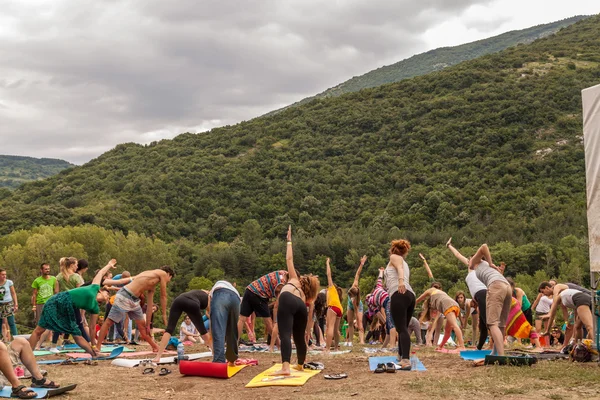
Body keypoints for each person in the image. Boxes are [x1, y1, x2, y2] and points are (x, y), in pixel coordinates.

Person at [29, 259, 117, 356]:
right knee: (39, 330)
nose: (107, 295)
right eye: (106, 292)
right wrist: (109, 265)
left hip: (69, 307)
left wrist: (93, 345)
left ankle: (94, 354)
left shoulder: (95, 308)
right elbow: (101, 273)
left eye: (108, 296)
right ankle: (27, 354)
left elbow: (92, 328)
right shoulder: (94, 287)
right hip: (57, 301)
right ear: (101, 291)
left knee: (76, 334)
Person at [272, 226, 320, 375]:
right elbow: (310, 311)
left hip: (287, 299)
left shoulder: (294, 279)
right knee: (299, 337)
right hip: (300, 306)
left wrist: (289, 241)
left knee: (285, 333)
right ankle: (300, 364)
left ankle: (285, 367)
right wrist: (309, 330)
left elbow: (289, 259)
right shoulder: (304, 295)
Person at [96, 265, 175, 352]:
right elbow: (163, 296)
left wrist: (148, 324)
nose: (168, 281)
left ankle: (155, 347)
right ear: (169, 275)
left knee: (142, 326)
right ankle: (98, 347)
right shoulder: (162, 273)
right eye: (170, 278)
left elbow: (149, 307)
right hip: (125, 295)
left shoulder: (152, 283)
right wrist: (164, 315)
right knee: (109, 322)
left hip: (135, 300)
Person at [447, 238, 489, 350]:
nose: (469, 261)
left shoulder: (479, 268)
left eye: (471, 259)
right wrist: (449, 246)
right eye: (469, 260)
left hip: (484, 294)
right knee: (483, 323)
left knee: (487, 322)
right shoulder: (470, 267)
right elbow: (457, 254)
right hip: (478, 297)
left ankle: (490, 345)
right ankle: (480, 346)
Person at [469, 243, 511, 356]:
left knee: (492, 323)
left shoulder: (476, 262)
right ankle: (495, 352)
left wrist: (491, 262)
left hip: (496, 286)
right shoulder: (484, 266)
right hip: (506, 286)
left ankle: (501, 356)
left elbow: (484, 246)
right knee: (501, 324)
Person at [152, 289, 211, 362]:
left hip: (178, 300)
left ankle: (158, 357)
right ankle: (215, 353)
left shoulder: (197, 292)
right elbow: (210, 314)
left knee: (169, 329)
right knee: (203, 331)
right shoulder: (209, 297)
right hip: (191, 303)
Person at [385, 239, 415, 370]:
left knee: (401, 328)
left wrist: (400, 282)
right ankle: (401, 355)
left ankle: (405, 360)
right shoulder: (404, 261)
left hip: (399, 293)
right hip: (410, 296)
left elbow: (399, 269)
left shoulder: (394, 257)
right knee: (403, 328)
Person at [238, 270, 288, 346]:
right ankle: (279, 344)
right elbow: (276, 306)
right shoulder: (281, 285)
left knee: (242, 319)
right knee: (268, 321)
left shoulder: (283, 272)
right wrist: (275, 321)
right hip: (259, 294)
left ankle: (234, 343)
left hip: (249, 289)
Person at [50, 257, 86, 352]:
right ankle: (89, 343)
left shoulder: (58, 276)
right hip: (73, 302)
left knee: (58, 324)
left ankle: (53, 346)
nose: (77, 266)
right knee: (79, 323)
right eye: (76, 264)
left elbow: (56, 291)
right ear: (71, 265)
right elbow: (79, 292)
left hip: (62, 301)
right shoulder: (76, 277)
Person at [208, 280, 240, 365]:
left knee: (218, 329)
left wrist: (211, 333)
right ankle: (232, 359)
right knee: (232, 329)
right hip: (236, 298)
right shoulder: (232, 288)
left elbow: (210, 315)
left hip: (220, 295)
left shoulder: (212, 291)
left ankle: (219, 361)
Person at [30, 264, 59, 349]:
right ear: (41, 270)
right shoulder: (37, 281)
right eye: (45, 269)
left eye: (48, 269)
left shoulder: (53, 279)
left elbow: (56, 291)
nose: (47, 270)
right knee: (40, 323)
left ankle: (49, 341)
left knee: (51, 322)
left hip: (50, 303)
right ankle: (38, 342)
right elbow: (34, 294)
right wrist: (34, 305)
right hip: (40, 303)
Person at [365, 268, 394, 347]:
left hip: (388, 302)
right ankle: (384, 346)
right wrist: (381, 271)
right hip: (390, 301)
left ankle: (392, 345)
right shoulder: (378, 287)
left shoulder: (370, 302)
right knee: (389, 326)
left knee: (391, 326)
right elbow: (380, 278)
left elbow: (377, 313)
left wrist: (384, 322)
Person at [346, 255, 367, 346]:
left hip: (357, 307)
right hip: (349, 305)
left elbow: (357, 315)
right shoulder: (354, 286)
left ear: (354, 296)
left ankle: (362, 340)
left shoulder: (356, 302)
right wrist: (361, 264)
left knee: (360, 323)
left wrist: (358, 323)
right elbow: (357, 274)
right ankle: (350, 341)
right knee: (350, 322)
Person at [324, 257, 343, 354]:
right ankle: (336, 348)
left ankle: (327, 349)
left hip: (333, 307)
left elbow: (328, 275)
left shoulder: (331, 288)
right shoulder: (335, 294)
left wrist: (327, 263)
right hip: (339, 309)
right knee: (336, 329)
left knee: (330, 327)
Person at [0, 269, 18, 340]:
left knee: (11, 322)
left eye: (5, 274)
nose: (4, 276)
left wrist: (16, 304)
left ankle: (16, 338)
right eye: (2, 274)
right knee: (0, 323)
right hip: (0, 305)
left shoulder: (9, 282)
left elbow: (13, 293)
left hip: (8, 304)